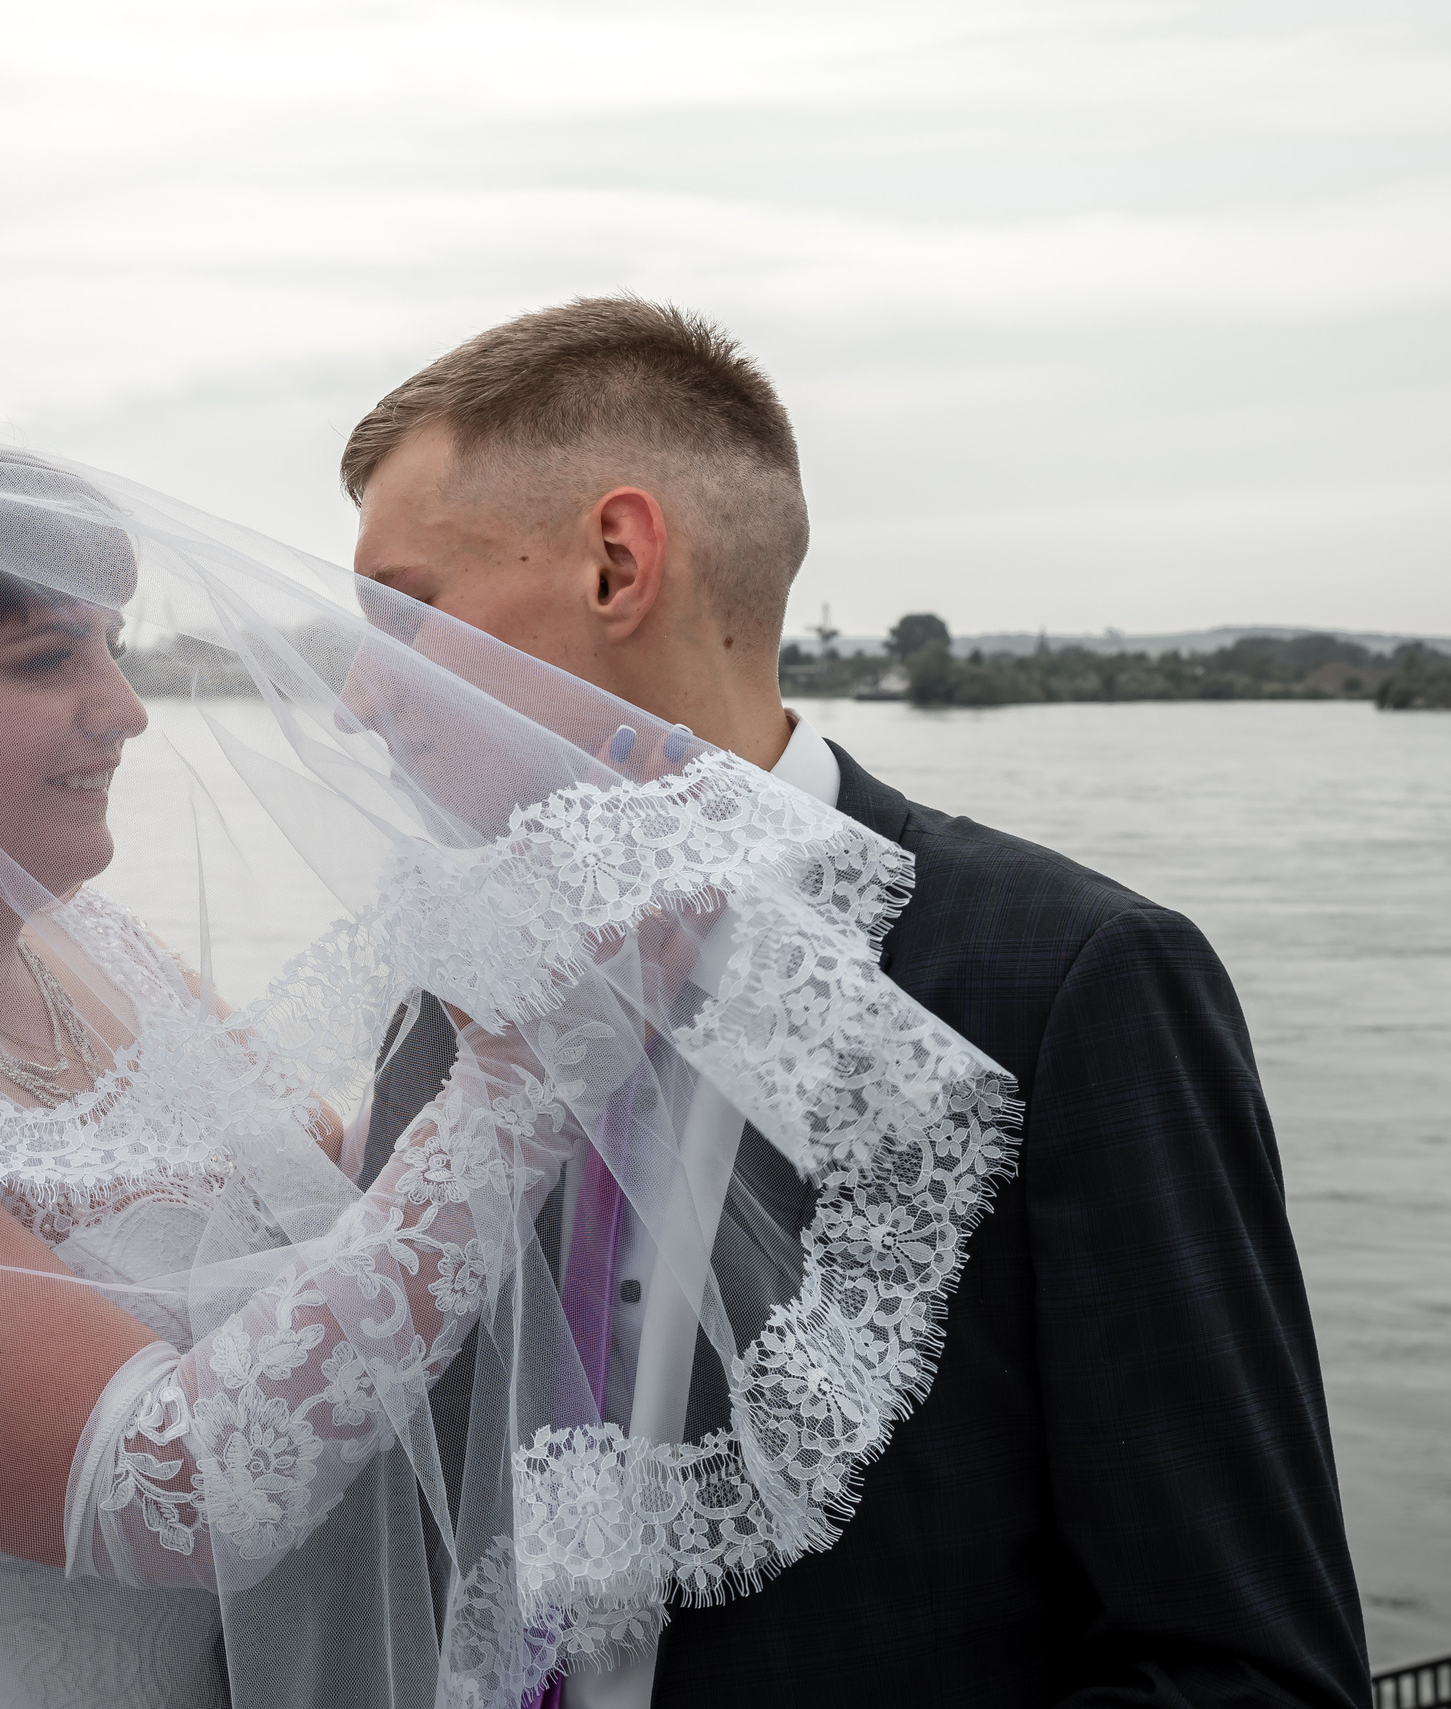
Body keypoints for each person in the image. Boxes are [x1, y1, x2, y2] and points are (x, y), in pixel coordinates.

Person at [0, 375, 1025, 1707]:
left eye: (115, 648)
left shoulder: (88, 958)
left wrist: (507, 989)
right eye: (46, 660)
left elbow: (329, 1210)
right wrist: (522, 1081)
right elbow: (172, 1488)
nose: (124, 710)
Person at [344, 298, 1372, 1709]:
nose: (356, 694)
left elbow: (1243, 1671)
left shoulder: (1066, 982)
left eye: (403, 612)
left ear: (616, 562)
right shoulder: (443, 1007)